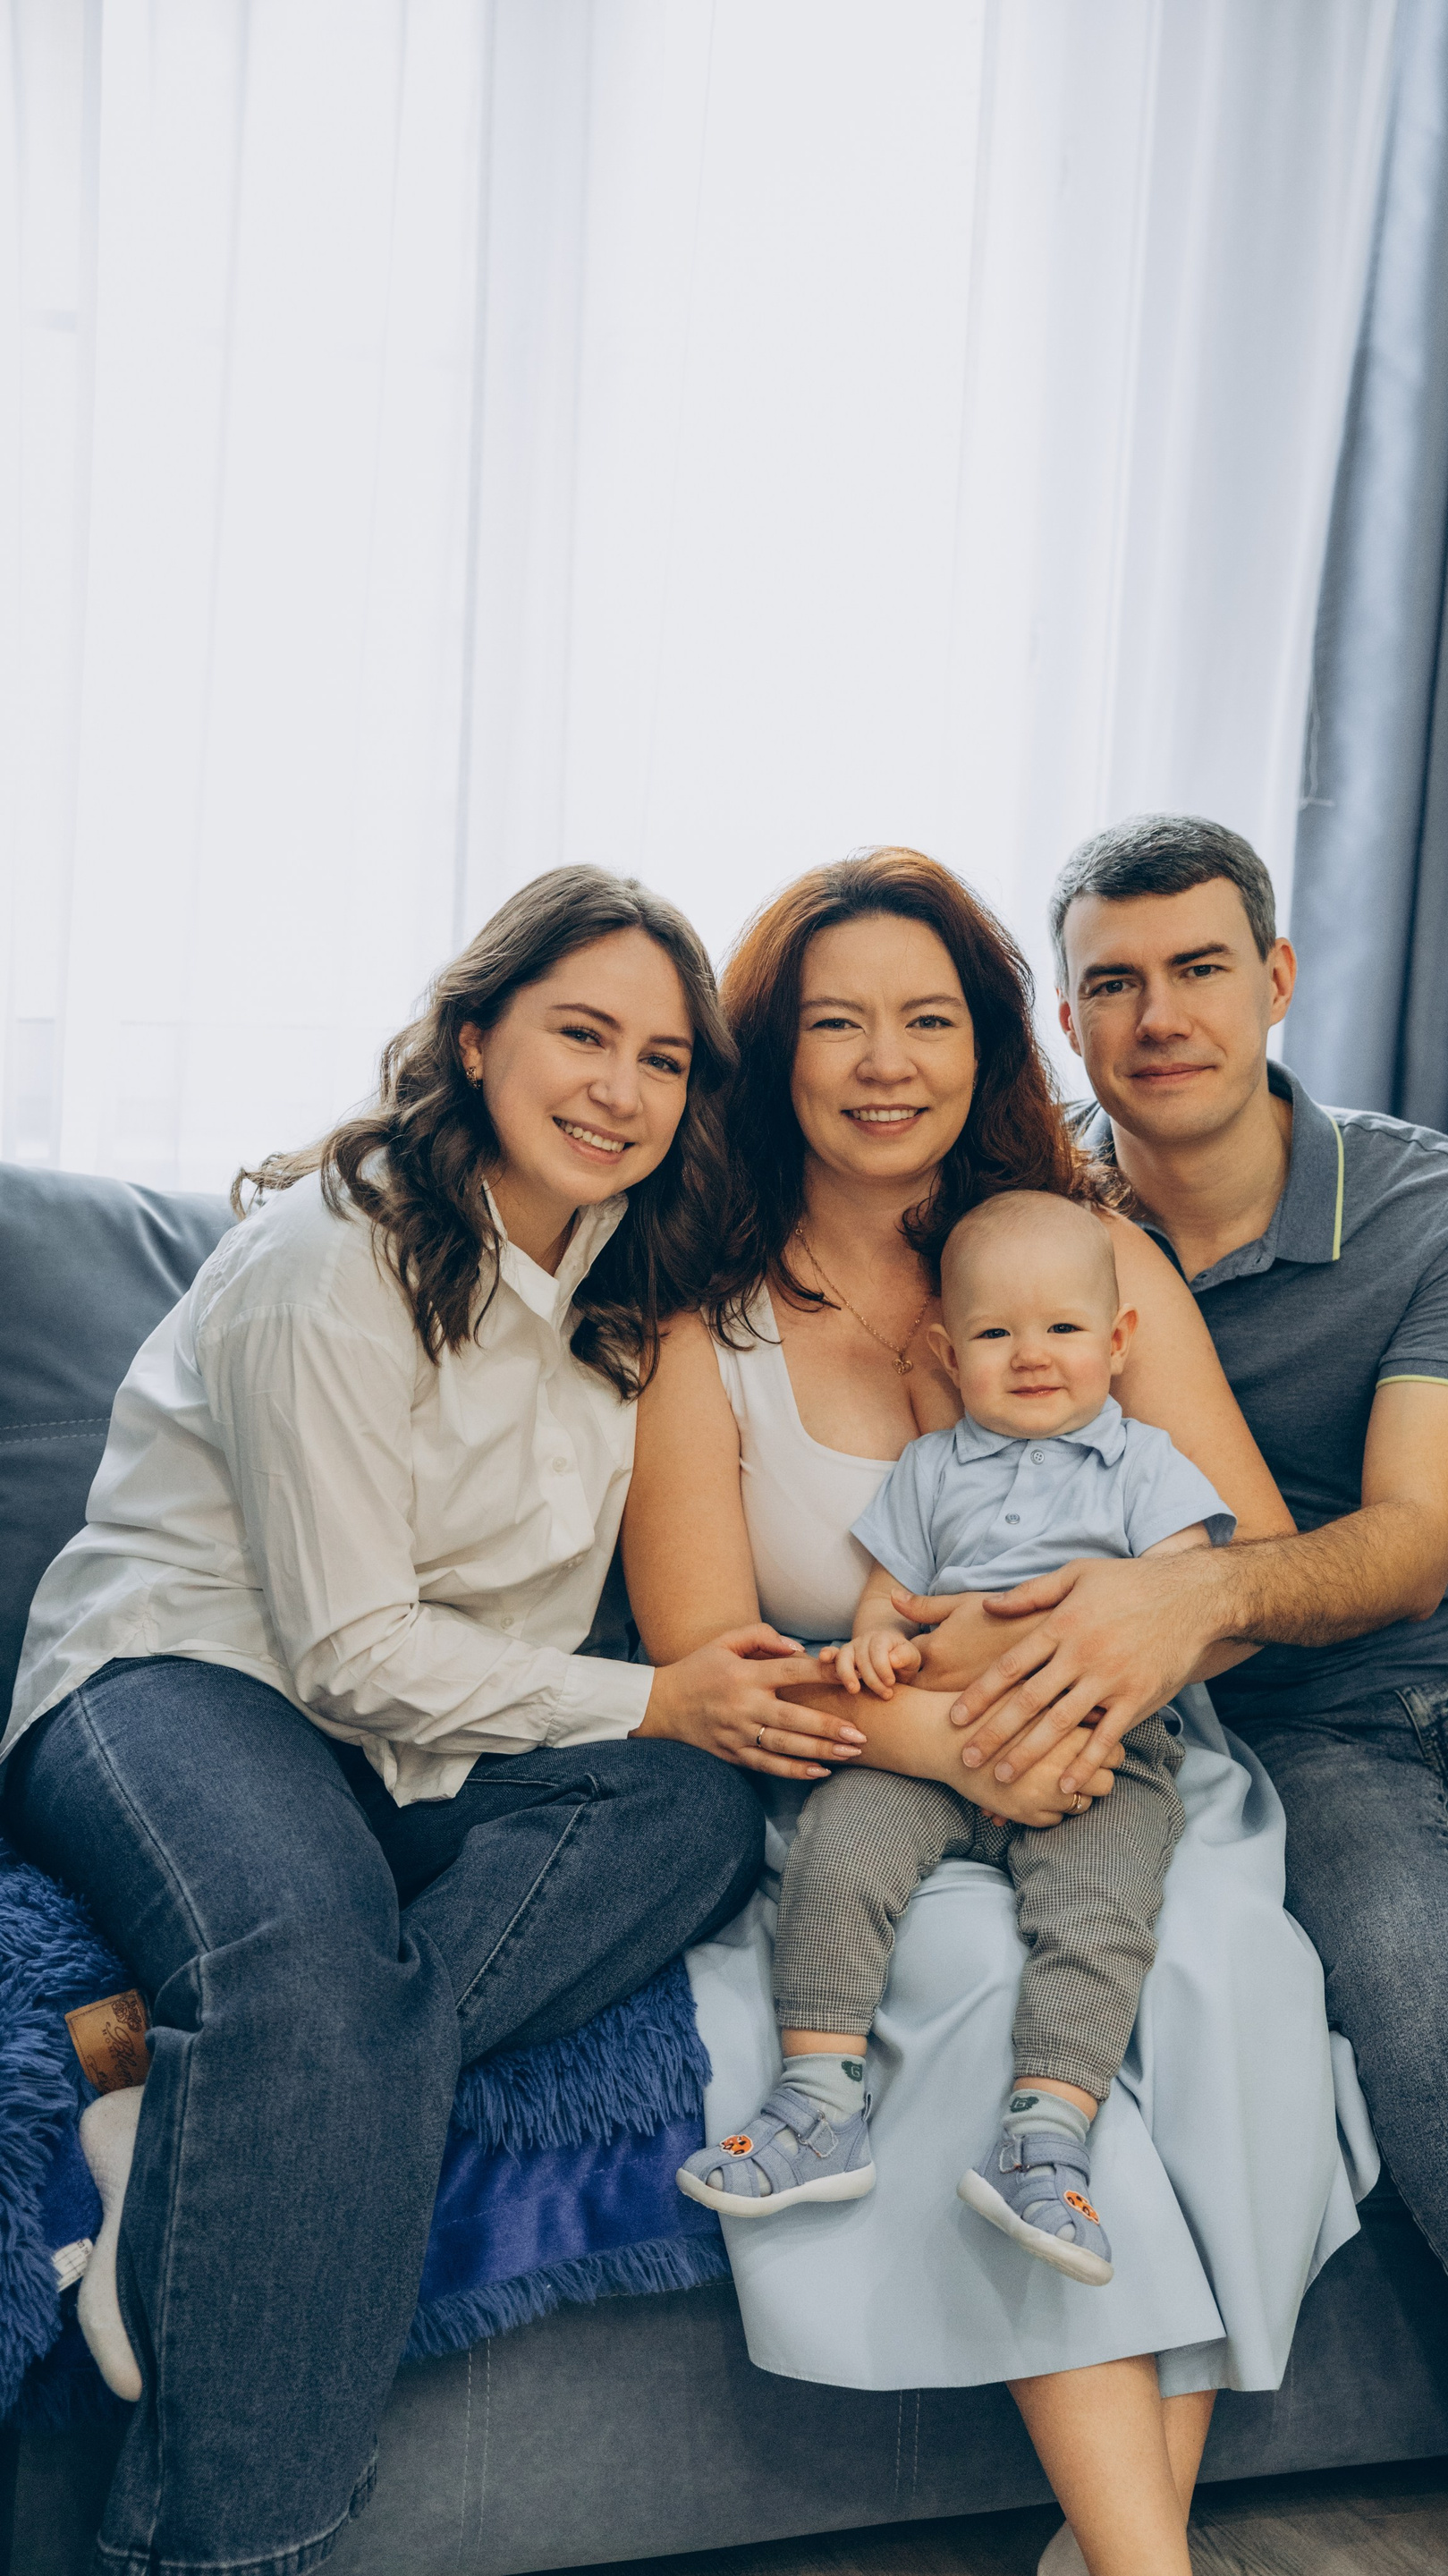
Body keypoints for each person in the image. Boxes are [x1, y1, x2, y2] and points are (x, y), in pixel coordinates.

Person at [0, 869, 834, 2576]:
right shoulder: (332, 1257)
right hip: (183, 1676)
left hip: (430, 1732)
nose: (620, 1089)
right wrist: (657, 1693)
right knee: (313, 1965)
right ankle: (221, 2555)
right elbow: (348, 1651)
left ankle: (199, 2095)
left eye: (663, 1060)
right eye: (581, 1034)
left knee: (691, 1813)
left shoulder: (633, 1283)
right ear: (473, 1038)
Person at [942, 812, 1448, 2567]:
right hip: (1289, 1719)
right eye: (1112, 984)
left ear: (1277, 977)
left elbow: (1415, 1549)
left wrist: (1193, 1586)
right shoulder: (1035, 1232)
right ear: (1065, 1018)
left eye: (1200, 969)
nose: (1159, 1017)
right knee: (1415, 2016)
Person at [622, 850, 1374, 2576]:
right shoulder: (702, 1326)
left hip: (1127, 1757)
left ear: (989, 1044)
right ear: (773, 1055)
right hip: (858, 1779)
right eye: (838, 1024)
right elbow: (710, 1657)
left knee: (1219, 1975)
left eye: (930, 1019)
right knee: (970, 1984)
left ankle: (1117, 2554)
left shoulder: (1092, 1258)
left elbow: (1246, 1576)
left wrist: (1110, 1666)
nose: (887, 1062)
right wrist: (946, 1736)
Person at [676, 1190, 1234, 2292]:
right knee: (839, 1853)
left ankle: (1048, 2137)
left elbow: (1182, 1604)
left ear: (1119, 1341)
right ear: (947, 1351)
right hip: (934, 1733)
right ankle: (818, 2102)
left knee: (1100, 1912)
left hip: (1096, 1746)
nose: (1032, 1355)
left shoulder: (1147, 1465)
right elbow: (887, 1601)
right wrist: (880, 1648)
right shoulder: (931, 1469)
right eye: (994, 1333)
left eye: (1064, 1328)